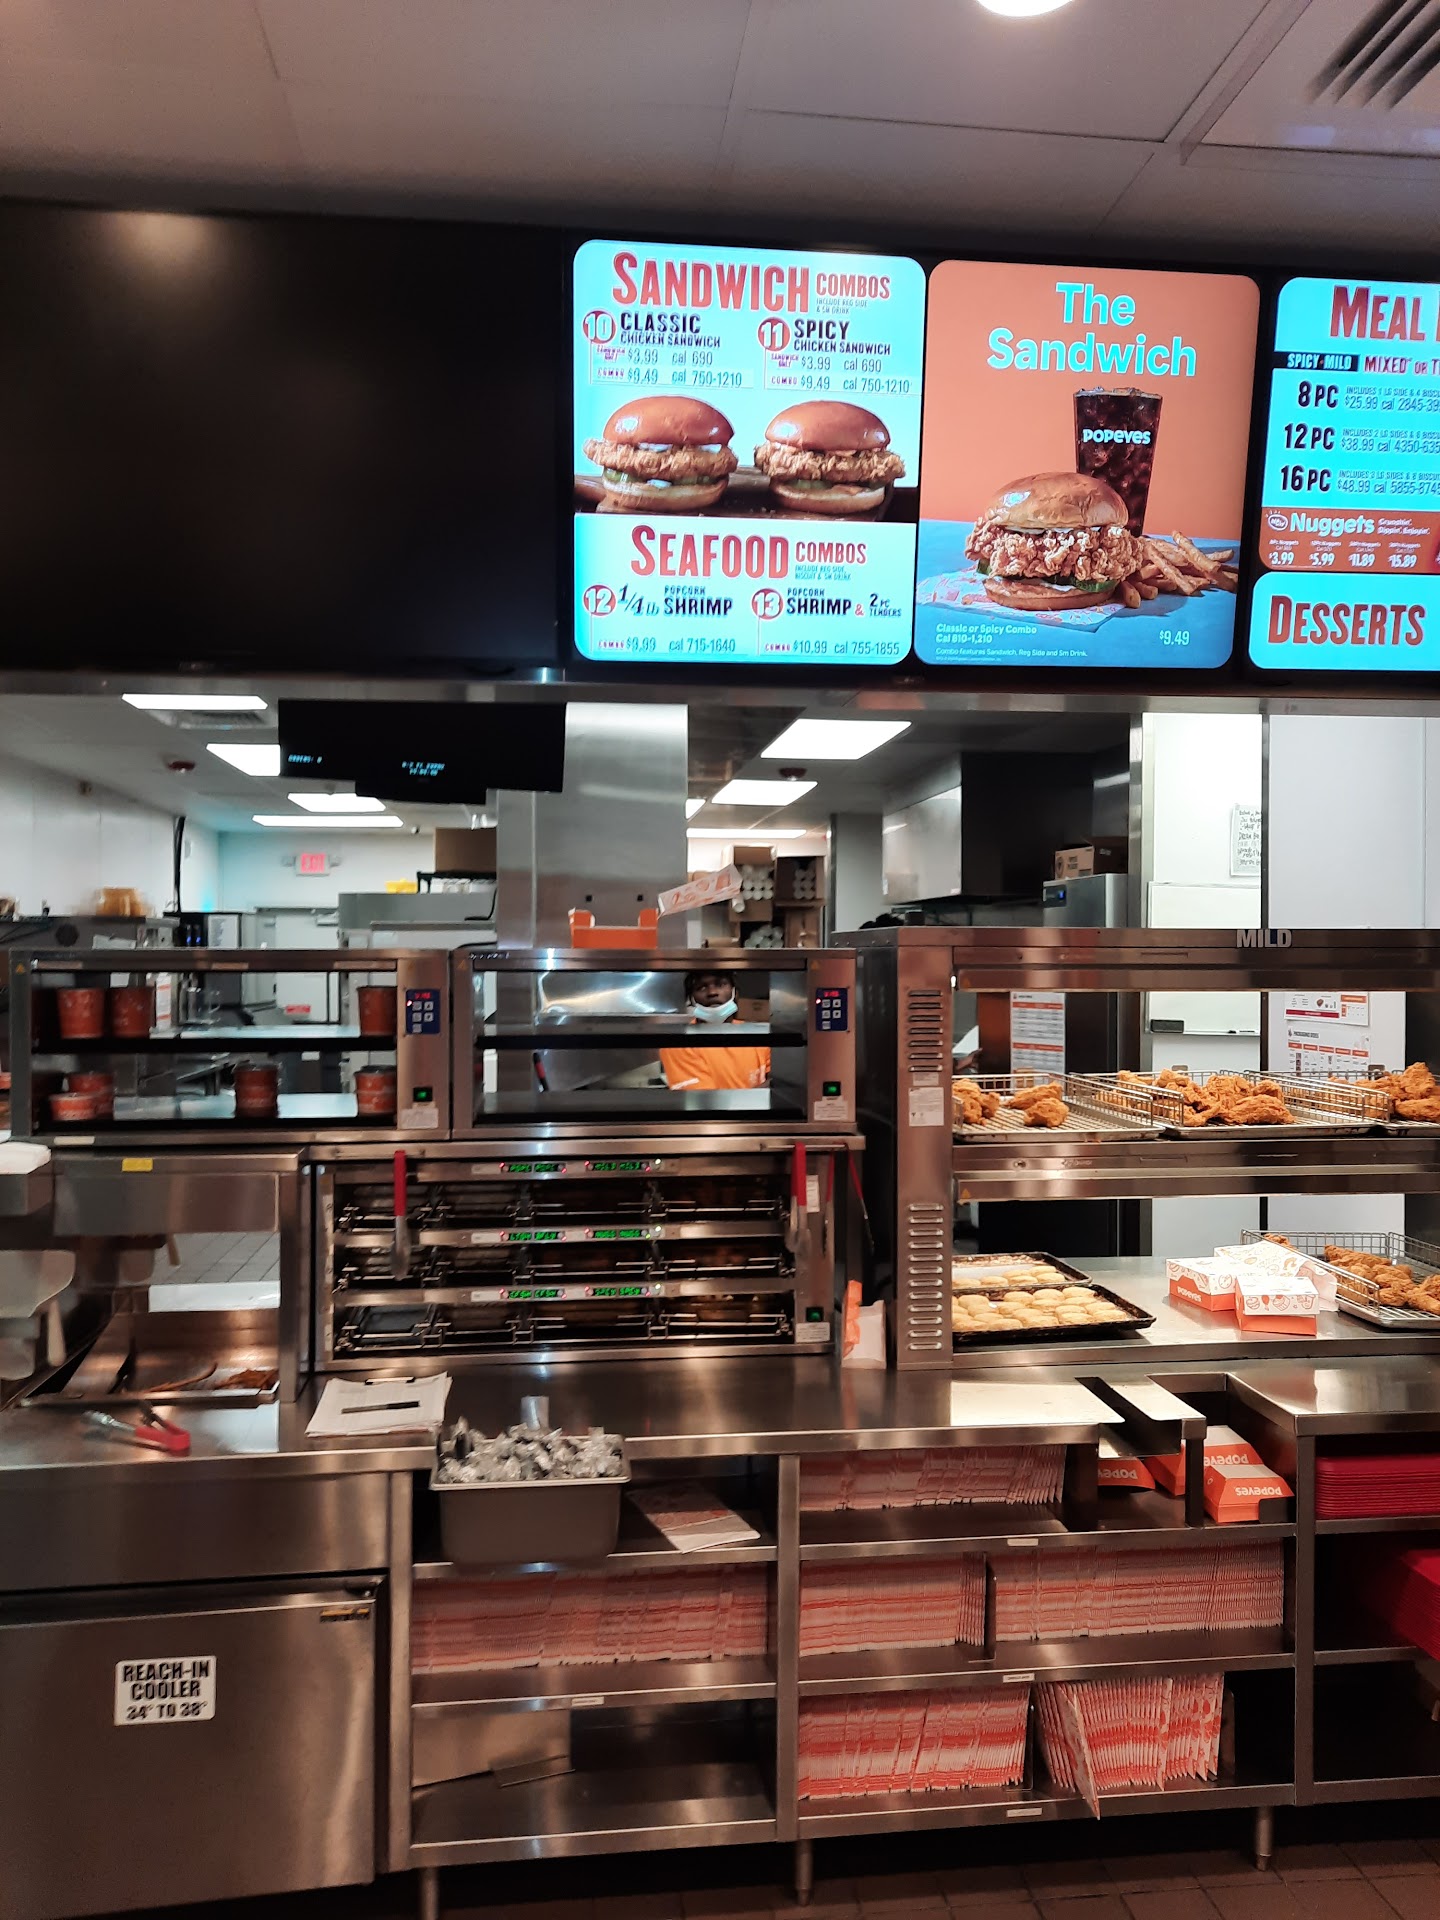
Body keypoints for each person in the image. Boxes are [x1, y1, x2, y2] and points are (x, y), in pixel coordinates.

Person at [660, 970, 770, 1092]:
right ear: (691, 999)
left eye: (720, 984)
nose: (712, 992)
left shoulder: (756, 1035)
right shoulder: (678, 1044)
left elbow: (782, 1082)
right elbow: (705, 1100)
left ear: (735, 992)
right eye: (701, 987)